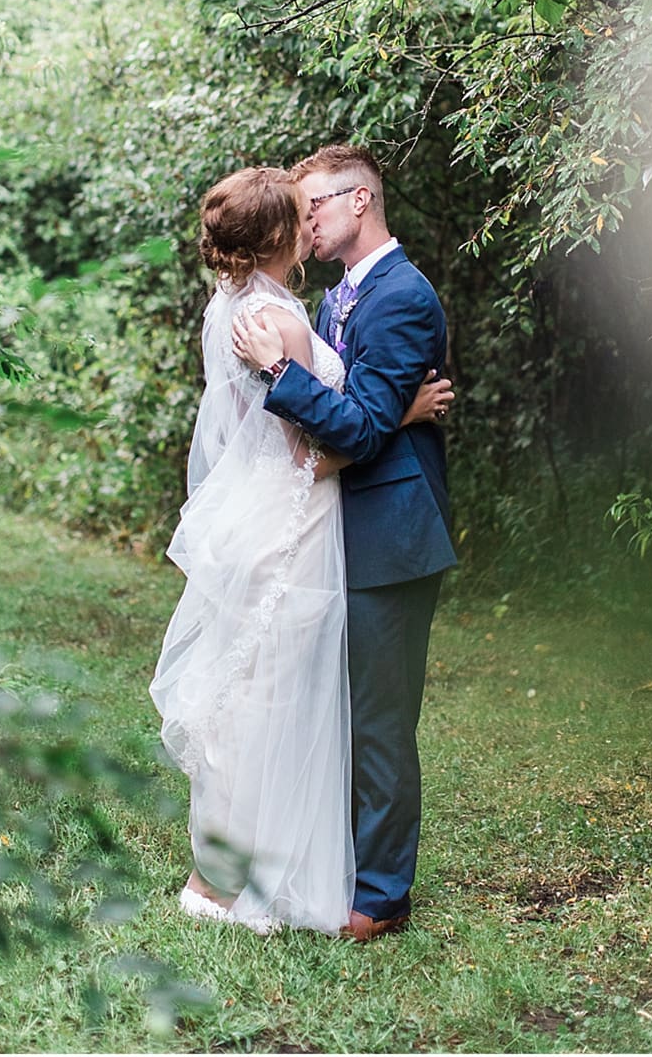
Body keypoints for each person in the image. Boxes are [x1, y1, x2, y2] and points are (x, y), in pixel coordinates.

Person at [152, 165, 450, 934]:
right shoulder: (283, 313)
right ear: (281, 235)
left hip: (356, 526)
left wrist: (386, 411)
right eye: (301, 209)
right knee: (288, 702)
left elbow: (343, 422)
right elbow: (320, 441)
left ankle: (371, 895)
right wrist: (400, 411)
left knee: (349, 714)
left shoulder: (382, 297)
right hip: (303, 514)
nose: (312, 219)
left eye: (321, 202)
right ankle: (276, 876)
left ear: (361, 200)